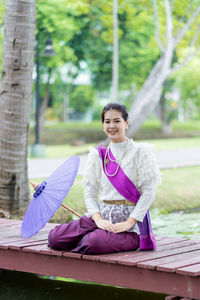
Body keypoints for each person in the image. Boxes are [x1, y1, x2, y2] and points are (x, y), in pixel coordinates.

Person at [48, 103, 161, 254]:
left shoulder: (141, 152)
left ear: (126, 124)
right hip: (100, 220)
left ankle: (94, 238)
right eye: (107, 122)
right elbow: (90, 192)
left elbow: (149, 193)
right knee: (55, 238)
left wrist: (128, 223)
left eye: (117, 121)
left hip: (128, 227)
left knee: (91, 242)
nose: (112, 126)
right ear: (103, 125)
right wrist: (98, 219)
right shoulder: (98, 156)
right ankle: (91, 235)